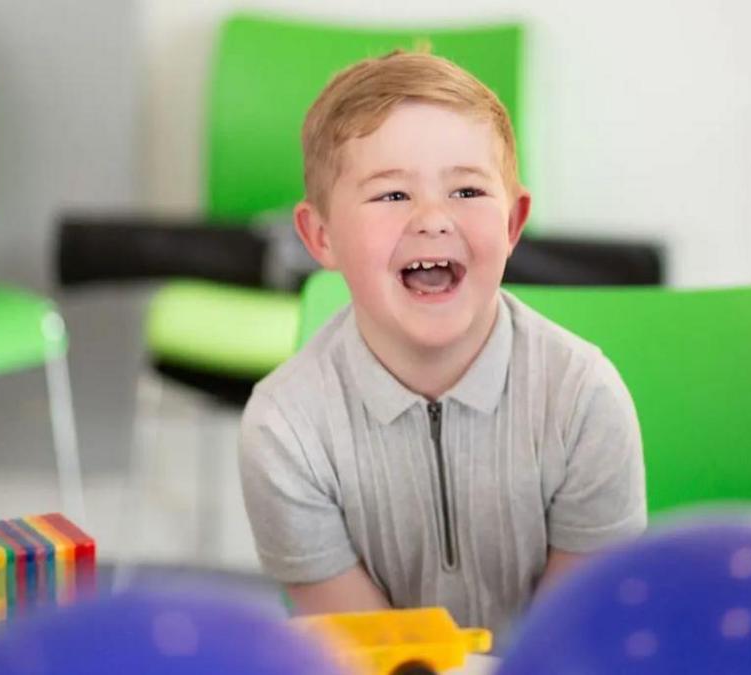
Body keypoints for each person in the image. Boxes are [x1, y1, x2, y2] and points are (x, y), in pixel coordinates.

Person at [238, 50, 646, 637]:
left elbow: (573, 639)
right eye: (393, 196)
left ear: (512, 224)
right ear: (320, 236)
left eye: (467, 192)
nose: (433, 219)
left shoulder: (584, 400)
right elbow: (373, 652)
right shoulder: (285, 429)